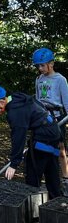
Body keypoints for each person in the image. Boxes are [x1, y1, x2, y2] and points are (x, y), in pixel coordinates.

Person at [0, 82, 62, 199]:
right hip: (53, 131)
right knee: (51, 172)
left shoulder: (15, 113)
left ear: (1, 102)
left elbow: (18, 138)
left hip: (44, 136)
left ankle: (33, 203)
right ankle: (57, 201)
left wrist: (14, 164)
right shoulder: (16, 98)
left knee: (32, 173)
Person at [32, 47, 68, 194]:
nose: (40, 69)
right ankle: (43, 179)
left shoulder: (60, 80)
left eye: (42, 65)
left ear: (51, 64)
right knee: (41, 148)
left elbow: (66, 102)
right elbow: (37, 99)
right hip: (42, 118)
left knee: (60, 149)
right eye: (38, 66)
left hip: (57, 117)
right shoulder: (39, 79)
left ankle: (66, 179)